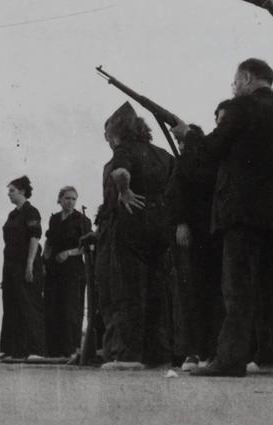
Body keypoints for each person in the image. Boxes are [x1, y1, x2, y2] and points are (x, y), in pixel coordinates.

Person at [174, 58, 273, 378]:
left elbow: (210, 151)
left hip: (244, 214)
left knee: (238, 290)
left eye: (235, 81)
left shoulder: (240, 108)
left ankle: (231, 359)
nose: (233, 88)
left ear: (246, 78)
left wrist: (188, 135)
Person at [99, 102, 174, 370]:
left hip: (131, 224)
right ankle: (158, 355)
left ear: (117, 133)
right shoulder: (164, 155)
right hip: (161, 225)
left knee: (127, 290)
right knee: (158, 291)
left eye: (107, 135)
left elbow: (120, 172)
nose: (107, 140)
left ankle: (128, 355)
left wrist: (124, 191)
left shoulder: (124, 149)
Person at [169, 103, 226, 371]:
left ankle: (205, 351)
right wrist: (181, 222)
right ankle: (197, 351)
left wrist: (182, 222)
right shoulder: (189, 162)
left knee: (204, 292)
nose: (181, 148)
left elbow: (181, 190)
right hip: (200, 231)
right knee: (195, 292)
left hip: (207, 231)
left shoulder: (197, 161)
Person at [0, 176, 47, 359]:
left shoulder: (31, 212)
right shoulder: (13, 214)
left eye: (12, 190)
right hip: (11, 266)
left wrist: (29, 266)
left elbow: (34, 238)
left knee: (30, 305)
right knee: (12, 306)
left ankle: (36, 350)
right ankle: (15, 350)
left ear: (22, 191)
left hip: (26, 263)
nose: (9, 194)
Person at [43, 186, 91, 358]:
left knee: (70, 309)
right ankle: (53, 350)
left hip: (73, 269)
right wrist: (44, 261)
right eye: (67, 198)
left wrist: (69, 253)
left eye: (73, 199)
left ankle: (71, 349)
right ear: (60, 199)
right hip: (54, 268)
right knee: (53, 306)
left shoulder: (82, 220)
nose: (70, 202)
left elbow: (87, 247)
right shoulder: (54, 219)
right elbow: (49, 241)